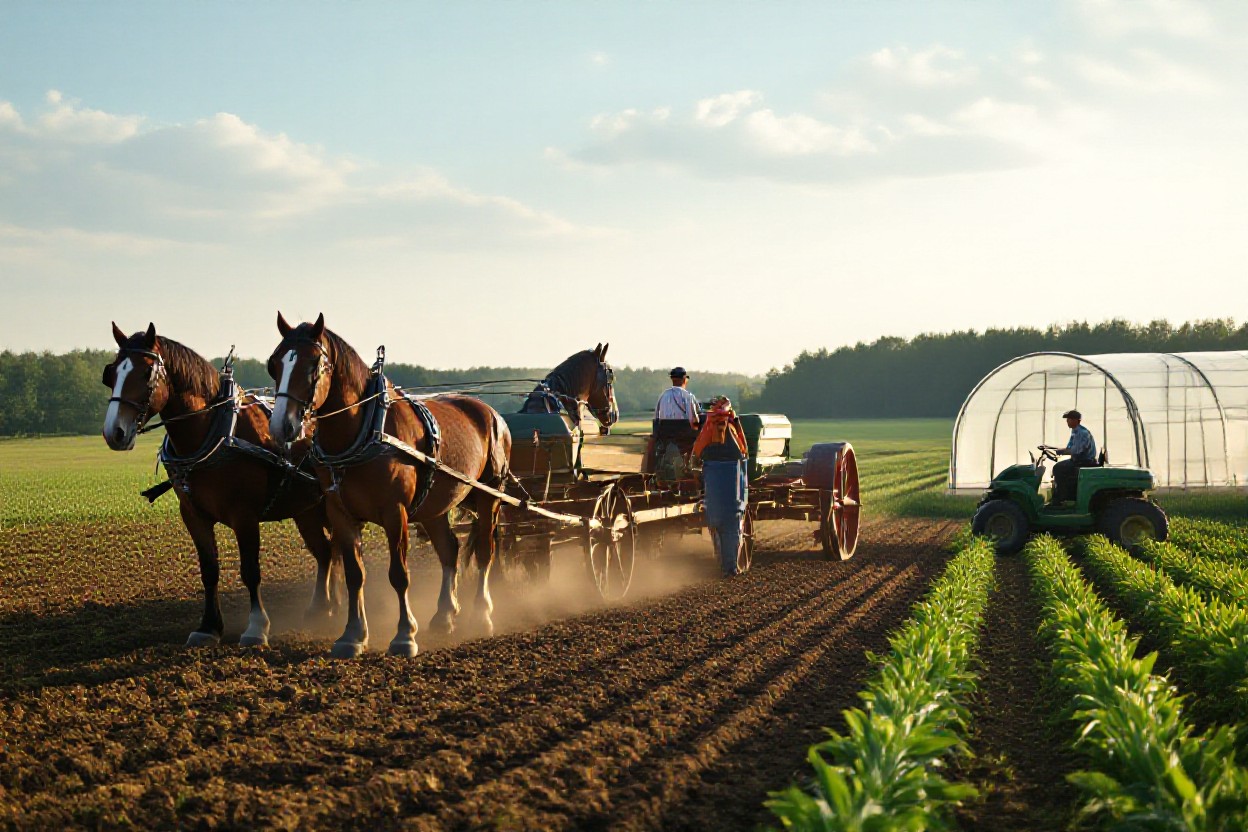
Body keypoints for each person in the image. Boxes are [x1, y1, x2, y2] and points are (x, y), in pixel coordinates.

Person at [693, 396, 749, 577]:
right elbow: (744, 450)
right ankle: (730, 566)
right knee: (733, 529)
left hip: (714, 489)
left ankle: (722, 561)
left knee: (716, 526)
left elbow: (698, 450)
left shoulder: (709, 427)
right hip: (733, 489)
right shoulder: (733, 427)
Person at [1051, 409, 1097, 504]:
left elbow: (1076, 451)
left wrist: (1060, 452)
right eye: (1067, 420)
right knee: (1060, 467)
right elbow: (1070, 447)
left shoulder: (1082, 433)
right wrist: (1052, 448)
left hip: (1084, 461)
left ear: (1076, 420)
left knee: (1058, 468)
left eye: (1069, 419)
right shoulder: (1075, 431)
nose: (1067, 421)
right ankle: (1062, 495)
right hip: (1079, 460)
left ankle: (1061, 498)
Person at [653, 367, 702, 452]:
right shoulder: (688, 396)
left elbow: (656, 417)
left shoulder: (663, 395)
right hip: (683, 433)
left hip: (665, 433)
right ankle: (688, 462)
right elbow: (693, 419)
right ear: (684, 379)